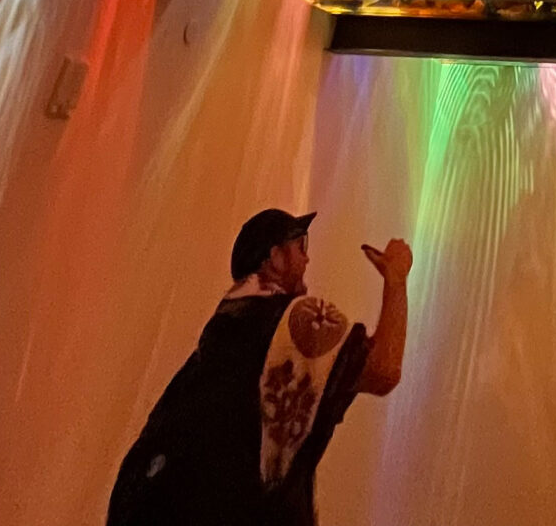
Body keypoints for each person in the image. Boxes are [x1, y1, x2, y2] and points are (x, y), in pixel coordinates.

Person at [107, 206, 413, 525]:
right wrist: (396, 279)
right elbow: (383, 370)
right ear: (275, 258)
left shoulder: (224, 330)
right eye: (300, 246)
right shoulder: (296, 322)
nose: (307, 259)